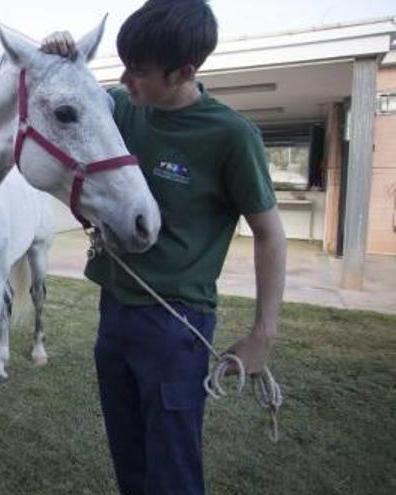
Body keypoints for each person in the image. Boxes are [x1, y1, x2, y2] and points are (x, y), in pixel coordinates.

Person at [41, 1, 287, 493]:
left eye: (140, 71)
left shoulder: (231, 137)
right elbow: (68, 105)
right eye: (125, 64)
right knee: (128, 459)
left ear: (184, 72)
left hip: (177, 326)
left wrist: (263, 334)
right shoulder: (123, 109)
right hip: (115, 314)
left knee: (171, 470)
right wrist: (56, 58)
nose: (126, 79)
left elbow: (270, 233)